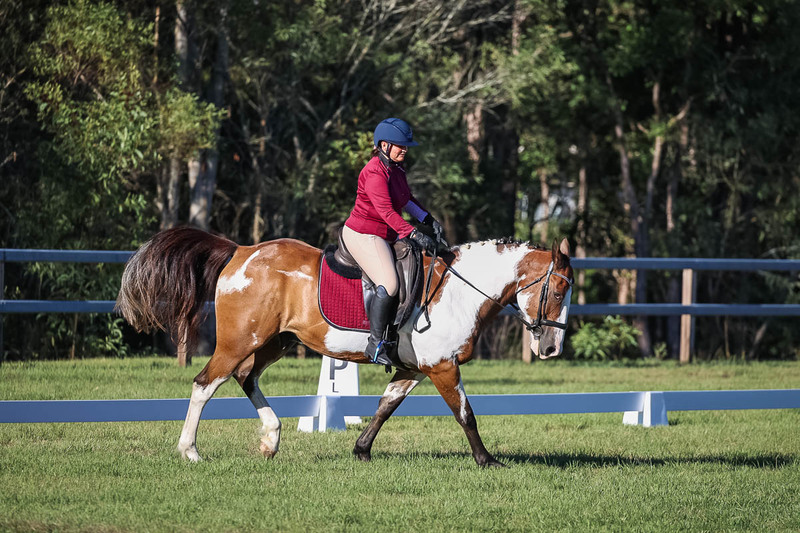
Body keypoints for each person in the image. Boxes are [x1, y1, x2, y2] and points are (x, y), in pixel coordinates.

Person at [342, 117, 446, 366]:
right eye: (400, 145)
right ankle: (376, 344)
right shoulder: (374, 172)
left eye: (405, 145)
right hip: (364, 233)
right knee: (389, 283)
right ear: (384, 145)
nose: (405, 149)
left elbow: (405, 199)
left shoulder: (396, 169)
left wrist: (427, 218)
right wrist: (413, 233)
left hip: (385, 233)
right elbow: (387, 212)